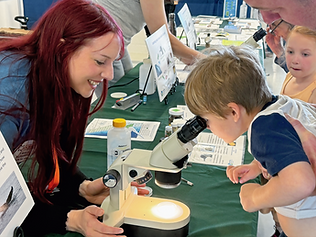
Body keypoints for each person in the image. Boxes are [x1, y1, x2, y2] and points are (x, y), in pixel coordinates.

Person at [0, 0, 147, 236]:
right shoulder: (9, 98)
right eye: (100, 61)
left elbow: (53, 146)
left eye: (112, 62)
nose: (109, 73)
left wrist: (81, 187)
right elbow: (4, 207)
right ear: (61, 49)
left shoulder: (52, 75)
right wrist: (69, 219)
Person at [184, 45, 316, 237]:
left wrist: (255, 197)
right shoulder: (280, 105)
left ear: (233, 112)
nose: (208, 127)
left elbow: (301, 182)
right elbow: (293, 144)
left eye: (208, 121)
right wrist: (259, 165)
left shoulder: (263, 129)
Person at [93, 0, 205, 96]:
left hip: (116, 42)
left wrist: (191, 57)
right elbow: (163, 37)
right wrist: (204, 60)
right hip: (101, 43)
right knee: (115, 95)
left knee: (128, 85)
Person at [280, 25, 316, 104]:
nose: (295, 61)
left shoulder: (313, 93)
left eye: (305, 54)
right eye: (290, 52)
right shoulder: (289, 76)